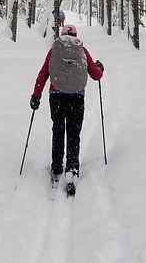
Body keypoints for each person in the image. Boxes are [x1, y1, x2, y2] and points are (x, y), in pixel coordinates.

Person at [30, 20, 104, 189]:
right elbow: (96, 75)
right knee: (73, 133)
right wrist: (100, 69)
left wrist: (36, 95)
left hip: (56, 96)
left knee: (58, 130)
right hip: (76, 98)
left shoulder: (54, 51)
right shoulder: (82, 51)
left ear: (62, 35)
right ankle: (71, 170)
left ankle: (56, 168)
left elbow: (43, 74)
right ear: (75, 36)